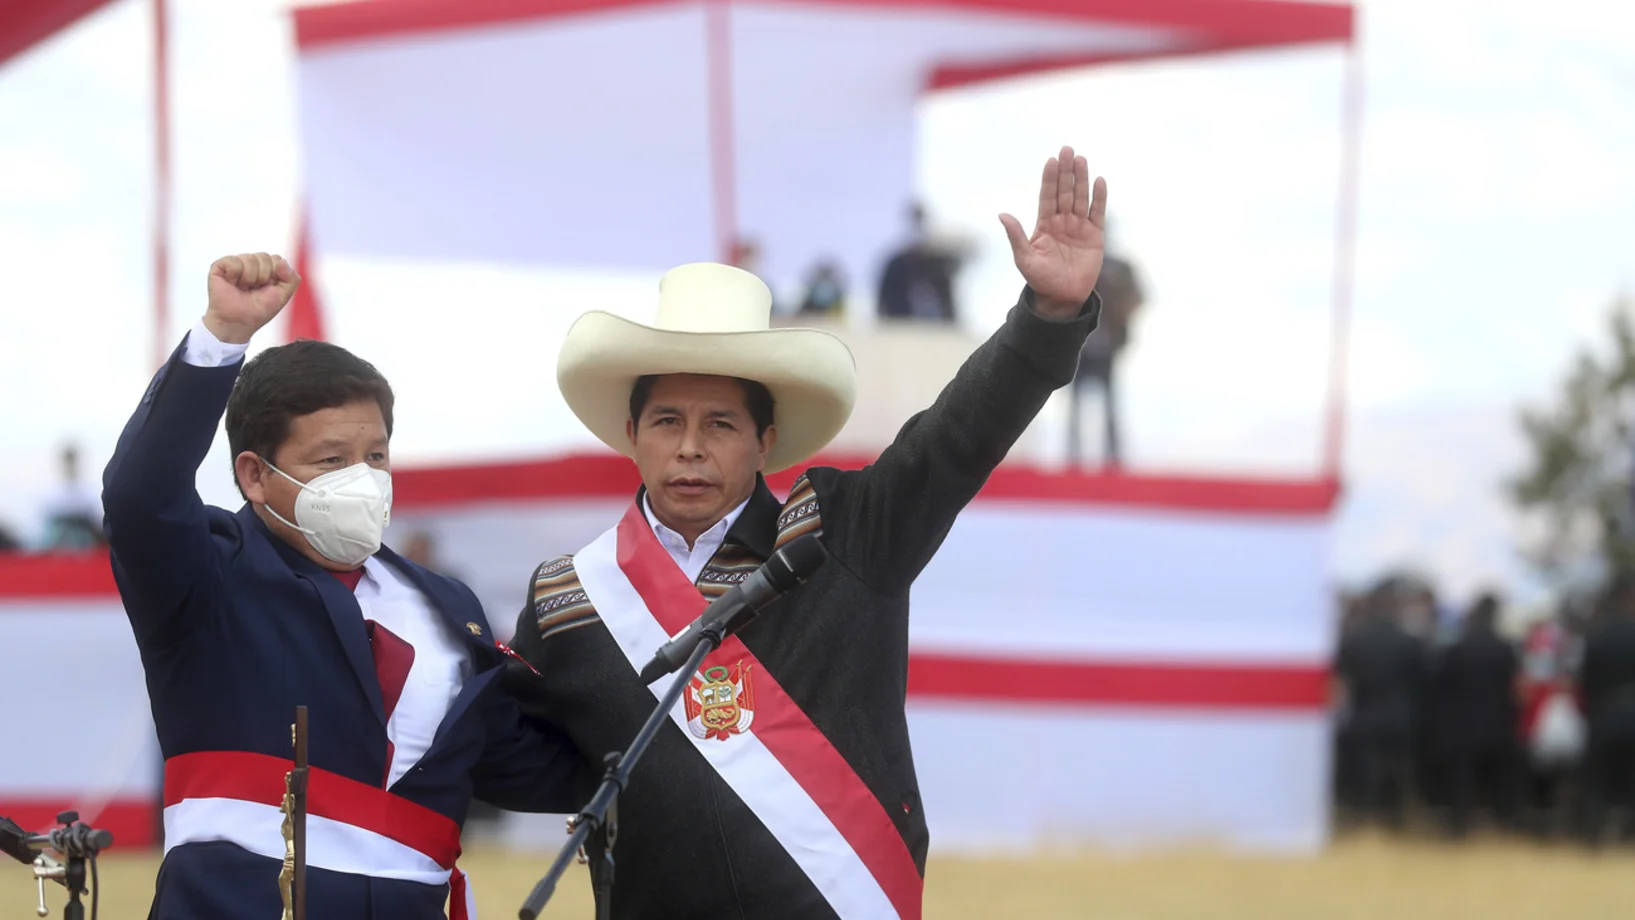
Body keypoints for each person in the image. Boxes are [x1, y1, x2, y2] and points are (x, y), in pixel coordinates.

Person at [507, 147, 1106, 919]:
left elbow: (956, 438)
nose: (689, 446)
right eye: (666, 422)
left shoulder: (846, 534)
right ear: (631, 433)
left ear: (766, 440)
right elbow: (507, 757)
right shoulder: (567, 596)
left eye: (720, 423)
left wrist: (1046, 320)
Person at [102, 253, 579, 919]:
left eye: (376, 456)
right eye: (330, 460)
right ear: (254, 476)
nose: (363, 479)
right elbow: (140, 495)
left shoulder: (449, 607)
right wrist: (222, 336)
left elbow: (518, 760)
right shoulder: (208, 577)